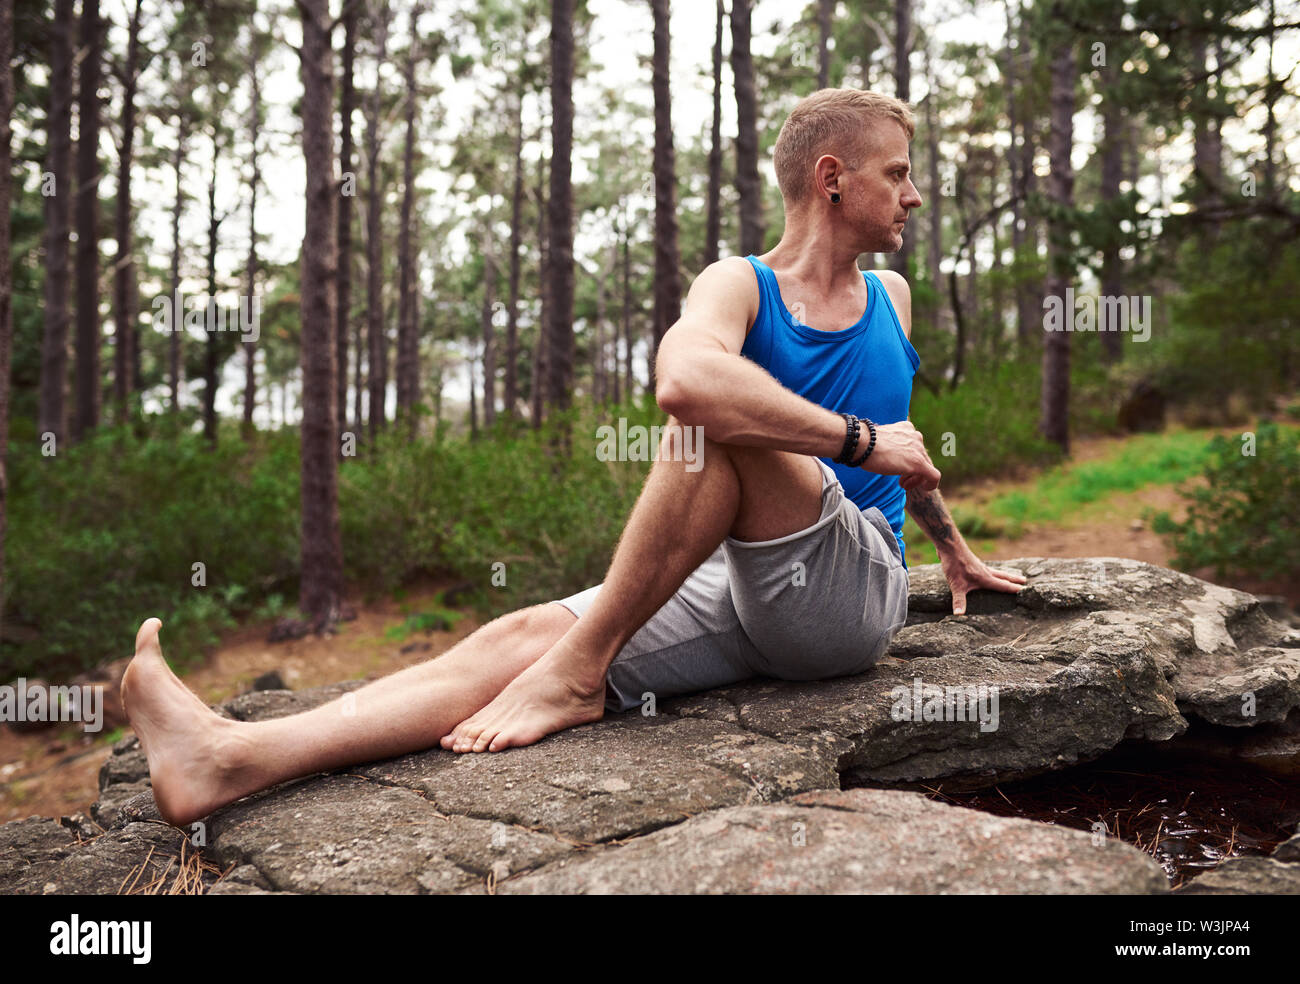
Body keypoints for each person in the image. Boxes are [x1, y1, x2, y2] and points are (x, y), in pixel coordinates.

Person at [122, 88, 1026, 828]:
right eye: (898, 173)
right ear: (832, 178)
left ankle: (579, 671)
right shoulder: (739, 284)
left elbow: (893, 446)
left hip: (849, 600)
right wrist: (855, 440)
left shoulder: (891, 296)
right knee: (520, 636)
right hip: (749, 581)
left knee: (718, 433)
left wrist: (950, 548)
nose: (913, 195)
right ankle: (230, 760)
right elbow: (683, 378)